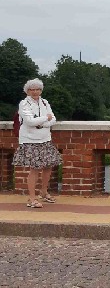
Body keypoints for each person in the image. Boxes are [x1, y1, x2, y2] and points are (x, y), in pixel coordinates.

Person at [12, 78, 62, 208]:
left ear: (41, 90)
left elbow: (54, 119)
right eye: (32, 89)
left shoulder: (45, 102)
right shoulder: (24, 104)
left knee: (48, 166)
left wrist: (42, 122)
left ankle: (43, 192)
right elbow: (29, 121)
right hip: (30, 139)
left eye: (38, 89)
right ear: (27, 91)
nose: (35, 92)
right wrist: (46, 119)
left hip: (45, 138)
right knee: (34, 169)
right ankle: (32, 198)